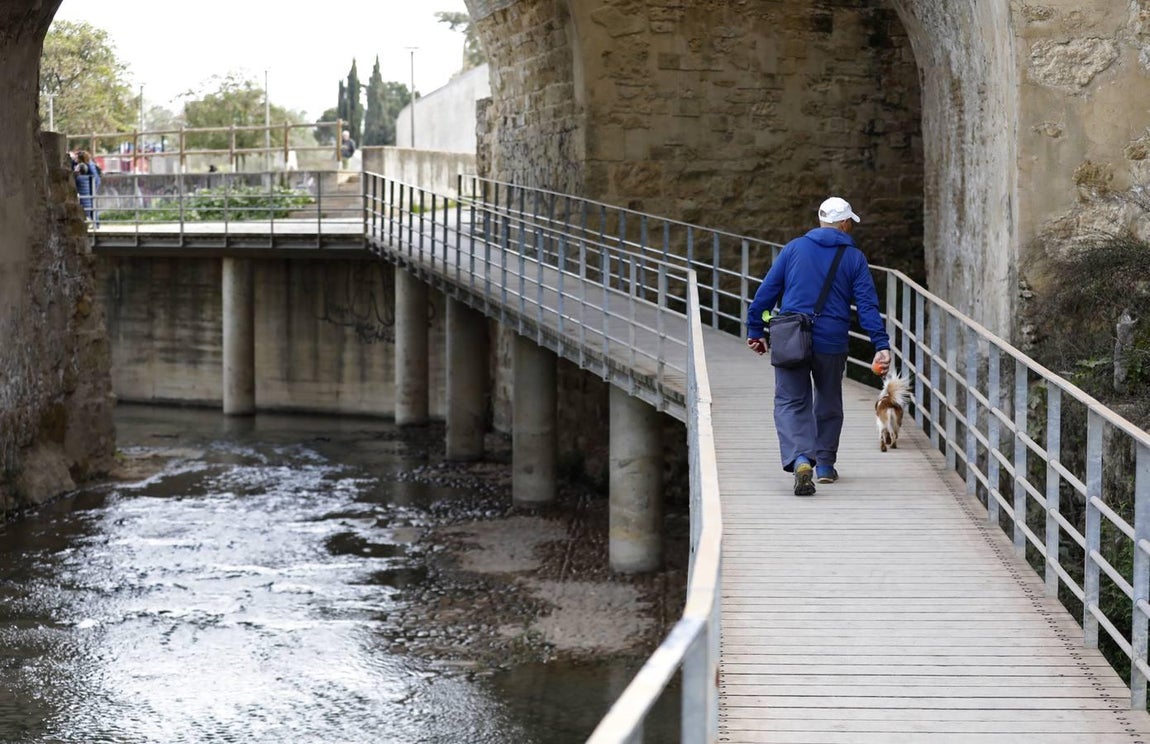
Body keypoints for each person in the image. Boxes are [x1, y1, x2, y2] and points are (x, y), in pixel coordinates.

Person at [745, 196, 891, 496]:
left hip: (791, 336)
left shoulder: (794, 248)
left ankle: (801, 458)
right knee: (828, 399)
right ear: (845, 223)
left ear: (821, 220)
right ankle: (824, 464)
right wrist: (880, 343)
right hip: (831, 340)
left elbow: (767, 291)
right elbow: (867, 305)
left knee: (790, 401)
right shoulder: (854, 258)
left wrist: (755, 329)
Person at [73, 150, 102, 227]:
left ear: (80, 159)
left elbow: (94, 177)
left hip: (92, 185)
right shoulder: (88, 163)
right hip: (92, 184)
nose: (75, 159)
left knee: (91, 203)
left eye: (76, 158)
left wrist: (93, 187)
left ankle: (95, 223)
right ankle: (95, 223)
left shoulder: (87, 165)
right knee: (91, 203)